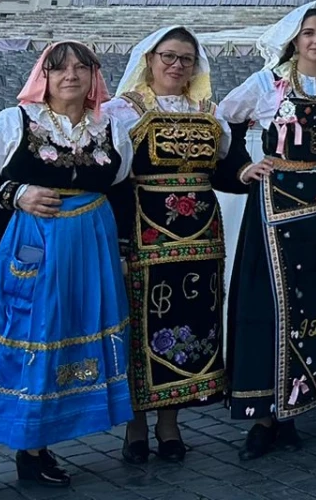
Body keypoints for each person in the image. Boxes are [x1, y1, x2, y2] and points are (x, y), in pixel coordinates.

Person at [0, 42, 132, 500]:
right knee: (10, 345)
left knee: (56, 344)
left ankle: (35, 448)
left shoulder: (112, 128)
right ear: (44, 76)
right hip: (22, 249)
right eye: (59, 68)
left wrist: (120, 250)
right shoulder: (15, 122)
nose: (71, 76)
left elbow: (121, 190)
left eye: (82, 67)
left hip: (86, 253)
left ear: (94, 75)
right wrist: (17, 193)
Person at [217, 2, 316, 459]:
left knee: (315, 308)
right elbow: (222, 122)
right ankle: (263, 417)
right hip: (274, 212)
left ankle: (295, 410)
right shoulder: (266, 84)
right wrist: (244, 166)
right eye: (309, 33)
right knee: (269, 309)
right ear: (294, 40)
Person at [104, 27, 249, 464]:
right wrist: (121, 242)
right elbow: (114, 182)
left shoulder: (209, 112)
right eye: (168, 56)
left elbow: (224, 170)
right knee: (141, 329)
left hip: (201, 240)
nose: (176, 65)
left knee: (190, 330)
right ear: (149, 60)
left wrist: (247, 174)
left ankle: (170, 425)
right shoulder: (123, 111)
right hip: (146, 237)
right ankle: (135, 426)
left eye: (186, 59)